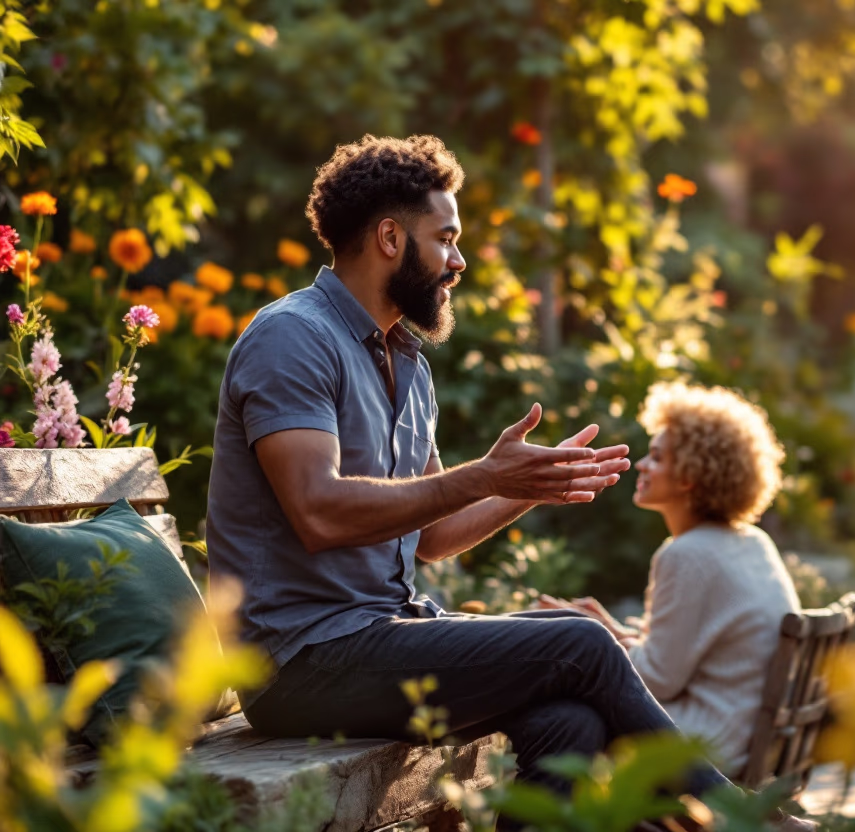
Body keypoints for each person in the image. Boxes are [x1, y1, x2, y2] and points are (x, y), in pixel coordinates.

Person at [205, 135, 817, 829]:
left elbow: (430, 538)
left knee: (568, 717)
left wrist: (526, 486)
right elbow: (318, 511)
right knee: (580, 643)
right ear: (387, 237)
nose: (458, 261)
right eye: (445, 239)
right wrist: (483, 475)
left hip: (379, 633)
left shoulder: (407, 362)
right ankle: (741, 818)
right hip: (299, 664)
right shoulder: (292, 338)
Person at [541, 381, 800, 776]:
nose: (642, 464)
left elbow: (657, 682)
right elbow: (674, 660)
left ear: (690, 476)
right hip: (751, 738)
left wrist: (596, 634)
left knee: (565, 718)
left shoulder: (687, 554)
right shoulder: (750, 541)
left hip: (708, 747)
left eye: (657, 457)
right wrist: (607, 628)